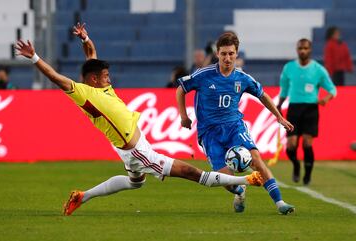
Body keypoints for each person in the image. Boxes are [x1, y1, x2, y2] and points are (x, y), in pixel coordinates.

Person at [14, 23, 263, 216]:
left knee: (136, 183)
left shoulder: (100, 87)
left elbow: (91, 54)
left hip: (132, 145)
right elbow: (57, 78)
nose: (109, 79)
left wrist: (85, 38)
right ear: (93, 79)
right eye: (106, 75)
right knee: (190, 172)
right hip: (136, 151)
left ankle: (82, 196)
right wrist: (35, 57)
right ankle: (246, 179)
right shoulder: (84, 93)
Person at [176, 31, 295, 215]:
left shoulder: (242, 78)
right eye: (223, 54)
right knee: (226, 180)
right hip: (209, 133)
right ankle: (239, 191)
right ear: (217, 54)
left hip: (234, 127)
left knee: (256, 160)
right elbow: (180, 89)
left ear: (236, 53)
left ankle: (280, 203)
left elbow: (262, 95)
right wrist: (184, 116)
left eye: (231, 53)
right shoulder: (204, 74)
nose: (227, 58)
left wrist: (279, 116)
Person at [277, 38, 337, 185]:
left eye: (305, 48)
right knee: (291, 145)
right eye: (300, 48)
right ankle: (296, 165)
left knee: (307, 144)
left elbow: (332, 90)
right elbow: (284, 90)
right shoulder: (289, 68)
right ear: (297, 50)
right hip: (294, 108)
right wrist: (278, 106)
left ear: (310, 50)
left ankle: (308, 174)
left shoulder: (318, 69)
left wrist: (325, 99)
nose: (303, 51)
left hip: (310, 109)